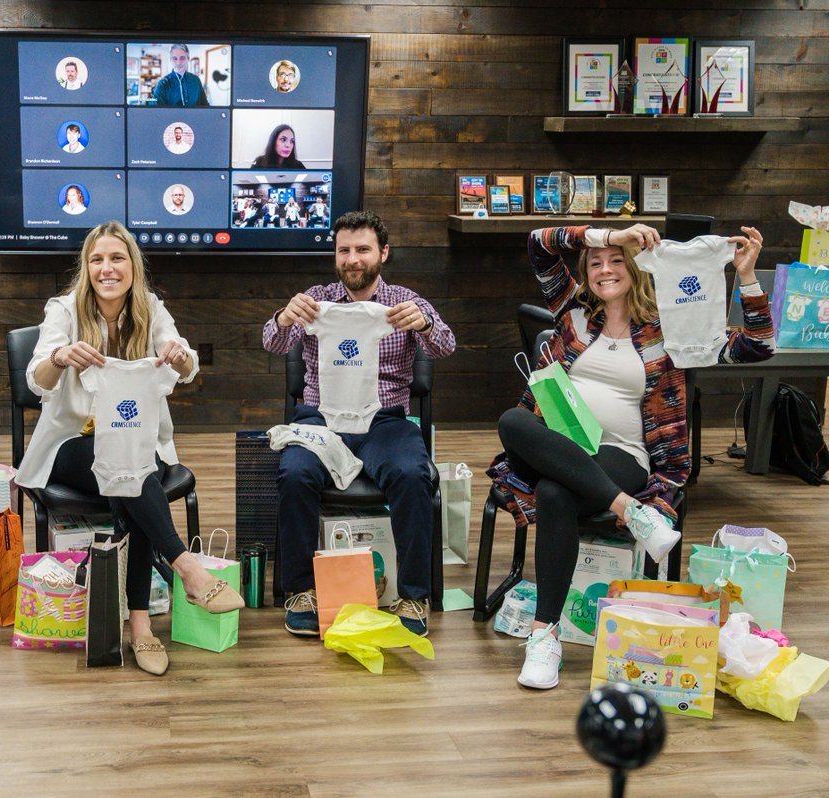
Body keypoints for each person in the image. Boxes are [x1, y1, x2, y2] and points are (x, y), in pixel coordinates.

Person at [490, 223, 773, 690]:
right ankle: (632, 512)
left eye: (616, 260)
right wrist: (606, 234)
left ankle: (544, 636)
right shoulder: (573, 311)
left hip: (621, 455)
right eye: (596, 262)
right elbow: (538, 244)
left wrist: (747, 277)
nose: (604, 270)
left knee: (556, 493)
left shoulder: (671, 329)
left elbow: (757, 346)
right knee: (512, 421)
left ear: (636, 267)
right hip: (553, 444)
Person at [15, 222, 243, 675]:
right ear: (86, 267)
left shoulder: (151, 309)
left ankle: (142, 625)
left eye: (117, 258)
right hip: (70, 444)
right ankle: (182, 576)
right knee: (133, 473)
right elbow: (34, 378)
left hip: (135, 440)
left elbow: (187, 365)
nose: (107, 268)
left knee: (130, 478)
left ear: (133, 266)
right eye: (97, 259)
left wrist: (180, 357)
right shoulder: (63, 310)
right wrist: (58, 360)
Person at [262, 211, 456, 637]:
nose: (352, 259)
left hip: (384, 420)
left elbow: (446, 345)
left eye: (362, 249)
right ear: (335, 256)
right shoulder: (316, 300)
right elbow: (271, 342)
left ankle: (414, 595)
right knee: (294, 473)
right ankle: (298, 590)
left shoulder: (404, 301)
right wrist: (284, 316)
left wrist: (423, 324)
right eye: (344, 250)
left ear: (382, 253)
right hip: (321, 419)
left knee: (411, 474)